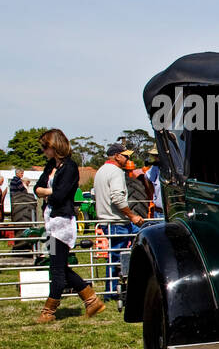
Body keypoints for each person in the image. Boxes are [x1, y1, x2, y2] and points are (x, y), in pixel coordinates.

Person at [32, 129, 103, 323]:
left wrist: (46, 192)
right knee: (60, 267)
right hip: (51, 222)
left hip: (62, 224)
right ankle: (91, 299)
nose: (44, 150)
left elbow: (60, 195)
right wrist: (49, 191)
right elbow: (36, 188)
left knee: (57, 271)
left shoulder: (70, 167)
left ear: (55, 146)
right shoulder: (50, 166)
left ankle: (49, 312)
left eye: (45, 147)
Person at [93, 143, 146, 300]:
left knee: (115, 255)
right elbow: (117, 197)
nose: (127, 159)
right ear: (116, 156)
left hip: (107, 219)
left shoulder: (101, 171)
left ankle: (115, 289)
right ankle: (111, 293)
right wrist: (132, 216)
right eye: (125, 156)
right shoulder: (116, 172)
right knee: (116, 256)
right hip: (116, 221)